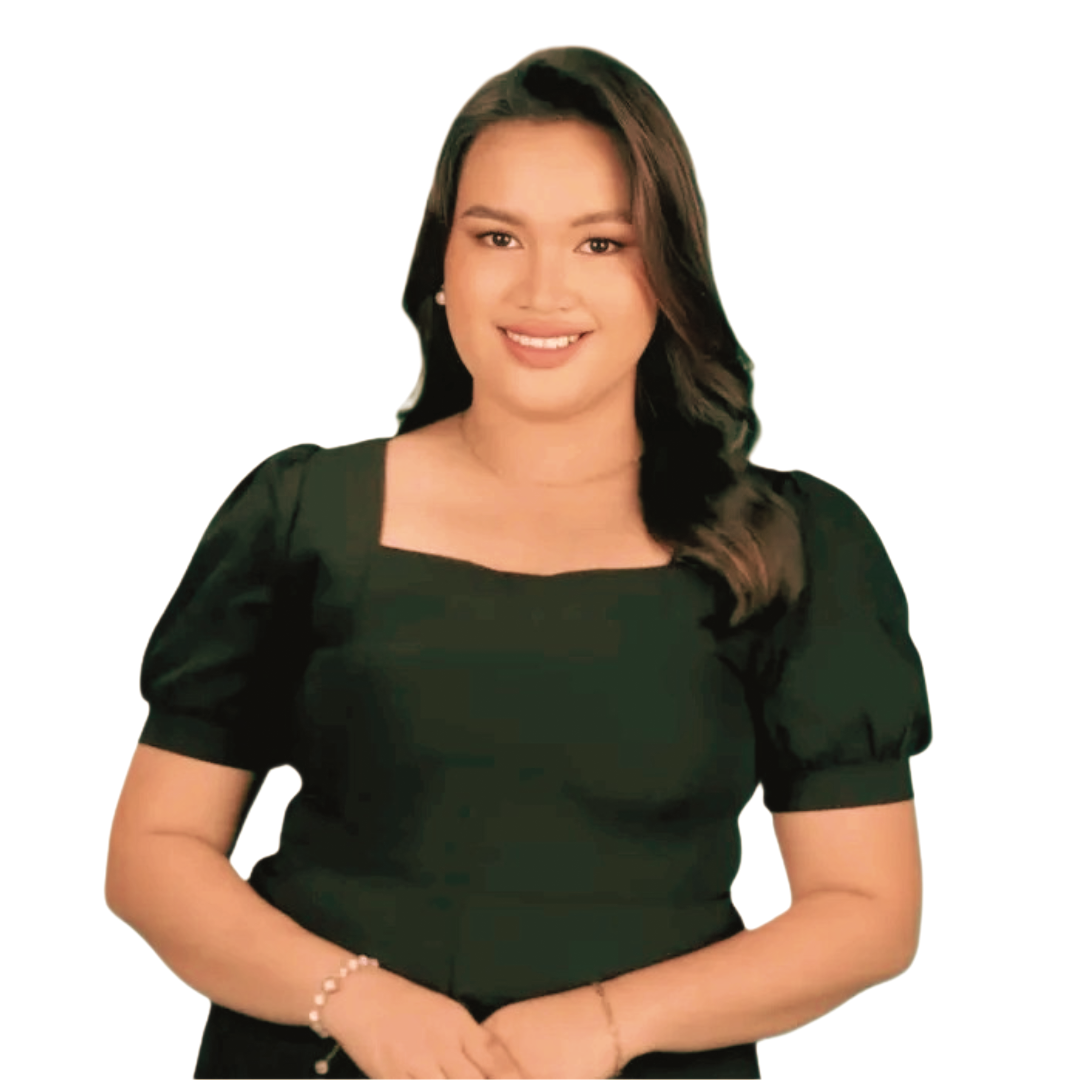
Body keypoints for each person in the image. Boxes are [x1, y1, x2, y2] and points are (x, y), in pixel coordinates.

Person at [106, 41, 934, 1080]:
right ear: (441, 269)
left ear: (669, 273)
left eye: (601, 244)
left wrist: (609, 1023)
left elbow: (868, 913)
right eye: (498, 235)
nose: (542, 289)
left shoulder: (792, 542)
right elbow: (152, 853)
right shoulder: (301, 511)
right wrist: (353, 1002)